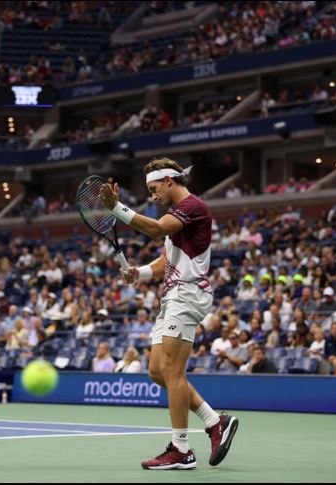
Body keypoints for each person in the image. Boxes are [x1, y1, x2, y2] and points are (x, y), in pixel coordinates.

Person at [101, 157, 237, 470]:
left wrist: (117, 208)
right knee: (157, 371)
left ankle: (181, 448)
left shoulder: (192, 206)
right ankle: (215, 422)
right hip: (172, 295)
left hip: (188, 294)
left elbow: (155, 228)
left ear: (169, 182)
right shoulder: (176, 215)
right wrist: (140, 274)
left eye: (154, 189)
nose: (152, 195)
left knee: (174, 372)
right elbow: (166, 260)